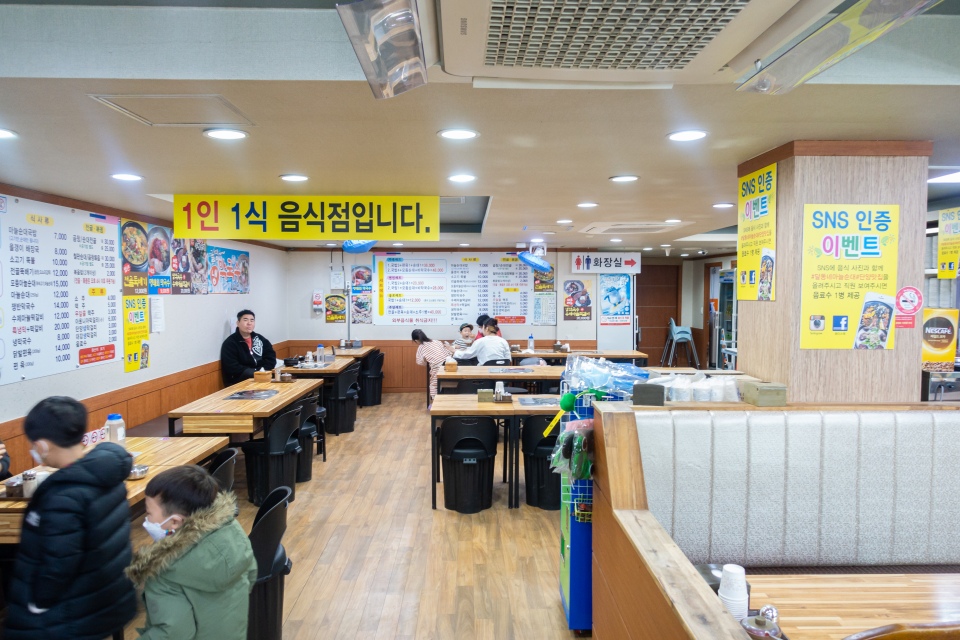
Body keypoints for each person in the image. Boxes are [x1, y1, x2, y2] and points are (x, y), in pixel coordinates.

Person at [4, 396, 136, 640]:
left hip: (68, 614)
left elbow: (58, 563)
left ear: (42, 446)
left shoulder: (62, 495)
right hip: (104, 599)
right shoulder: (106, 473)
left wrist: (38, 604)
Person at [126, 465, 257, 640]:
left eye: (149, 513)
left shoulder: (165, 570)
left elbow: (172, 633)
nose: (146, 519)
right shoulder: (231, 531)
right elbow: (251, 574)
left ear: (174, 522)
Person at [220, 309, 277, 386]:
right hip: (240, 382)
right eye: (245, 320)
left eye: (252, 320)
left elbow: (271, 357)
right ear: (238, 323)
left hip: (262, 377)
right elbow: (232, 367)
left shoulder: (260, 339)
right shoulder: (230, 343)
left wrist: (263, 370)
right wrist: (255, 372)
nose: (249, 323)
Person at [413, 329, 450, 402]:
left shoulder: (421, 347)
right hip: (449, 364)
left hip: (437, 367)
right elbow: (447, 352)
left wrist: (427, 362)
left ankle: (434, 403)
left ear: (416, 341)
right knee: (448, 383)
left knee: (433, 385)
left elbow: (420, 361)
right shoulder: (436, 341)